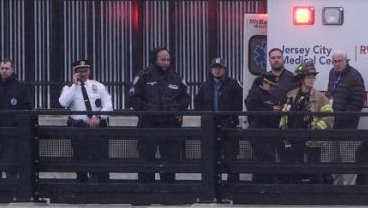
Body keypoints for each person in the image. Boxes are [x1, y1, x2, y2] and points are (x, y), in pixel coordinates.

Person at [127, 47, 189, 182]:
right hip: (148, 123)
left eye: (168, 60)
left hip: (170, 124)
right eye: (163, 60)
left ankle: (168, 190)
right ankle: (146, 190)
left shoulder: (176, 77)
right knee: (146, 157)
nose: (166, 62)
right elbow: (133, 98)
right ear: (155, 60)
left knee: (170, 158)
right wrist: (147, 110)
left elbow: (185, 98)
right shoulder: (143, 76)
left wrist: (176, 109)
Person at [278, 62, 334, 183]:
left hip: (312, 141)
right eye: (308, 77)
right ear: (301, 79)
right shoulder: (291, 95)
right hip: (293, 140)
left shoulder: (320, 98)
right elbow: (284, 115)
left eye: (313, 77)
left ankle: (316, 197)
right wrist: (284, 131)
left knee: (314, 171)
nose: (312, 79)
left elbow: (329, 118)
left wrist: (314, 130)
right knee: (293, 172)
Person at [59, 58, 112, 182]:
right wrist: (75, 86)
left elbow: (108, 106)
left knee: (100, 159)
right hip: (79, 130)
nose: (82, 74)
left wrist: (99, 116)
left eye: (84, 71)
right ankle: (81, 185)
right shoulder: (68, 88)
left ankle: (101, 186)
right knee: (80, 160)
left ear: (89, 71)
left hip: (97, 129)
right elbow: (63, 102)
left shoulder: (98, 86)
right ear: (75, 73)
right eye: (79, 71)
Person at [0, 59, 34, 181]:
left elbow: (27, 108)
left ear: (12, 69)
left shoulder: (20, 87)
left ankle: (12, 186)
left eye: (7, 68)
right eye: (2, 68)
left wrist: (17, 124)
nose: (4, 71)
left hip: (13, 133)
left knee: (12, 161)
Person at [193, 57, 243, 182]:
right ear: (211, 70)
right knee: (211, 157)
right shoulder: (205, 85)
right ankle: (212, 186)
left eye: (220, 68)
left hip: (228, 125)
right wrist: (205, 115)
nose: (217, 71)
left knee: (231, 156)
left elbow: (240, 102)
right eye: (215, 68)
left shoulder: (234, 84)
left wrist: (231, 116)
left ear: (225, 69)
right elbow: (197, 102)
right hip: (210, 126)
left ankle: (233, 187)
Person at [326, 50, 367, 184]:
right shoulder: (332, 73)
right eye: (334, 61)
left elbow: (358, 102)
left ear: (346, 61)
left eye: (339, 61)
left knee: (347, 156)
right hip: (332, 123)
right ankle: (337, 185)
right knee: (333, 156)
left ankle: (349, 186)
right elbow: (330, 93)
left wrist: (344, 116)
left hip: (347, 124)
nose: (337, 64)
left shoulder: (355, 76)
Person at [244, 71, 281, 176]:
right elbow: (251, 107)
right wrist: (270, 109)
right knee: (262, 158)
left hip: (270, 131)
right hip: (258, 131)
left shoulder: (272, 96)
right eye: (270, 85)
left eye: (274, 86)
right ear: (264, 82)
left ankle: (266, 182)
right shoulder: (255, 93)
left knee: (269, 158)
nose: (272, 88)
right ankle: (259, 183)